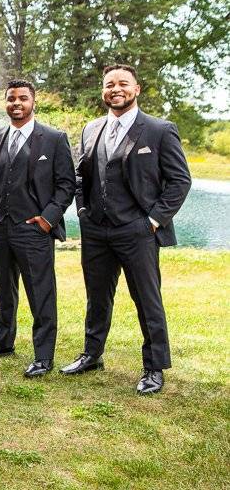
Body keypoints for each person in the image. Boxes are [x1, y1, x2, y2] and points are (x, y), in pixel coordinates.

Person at [63, 64, 191, 394]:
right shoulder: (91, 129)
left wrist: (152, 220)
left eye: (123, 83)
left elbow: (179, 181)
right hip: (97, 231)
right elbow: (80, 177)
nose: (115, 89)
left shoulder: (160, 130)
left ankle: (154, 367)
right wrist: (82, 210)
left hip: (138, 232)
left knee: (147, 300)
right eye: (109, 84)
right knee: (97, 298)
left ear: (136, 90)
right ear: (103, 91)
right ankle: (91, 355)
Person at [0, 79, 75, 377]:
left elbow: (67, 184)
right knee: (5, 290)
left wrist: (47, 218)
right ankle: (1, 342)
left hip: (34, 230)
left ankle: (43, 357)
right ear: (5, 102)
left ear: (33, 102)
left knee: (41, 294)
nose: (17, 103)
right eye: (11, 98)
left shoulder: (54, 138)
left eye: (23, 98)